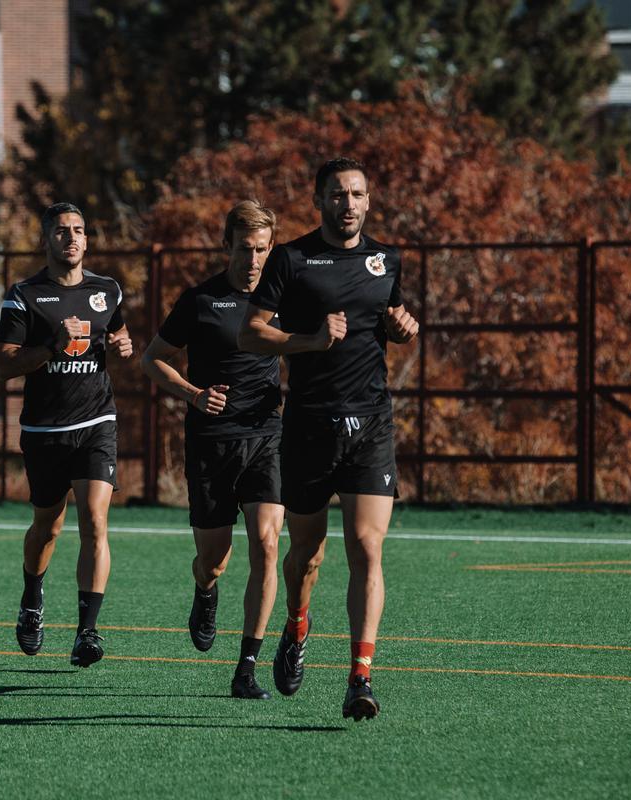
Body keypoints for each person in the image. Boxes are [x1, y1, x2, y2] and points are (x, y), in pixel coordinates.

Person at [237, 158, 418, 721]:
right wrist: (310, 341)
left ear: (369, 200)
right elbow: (251, 332)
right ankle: (296, 623)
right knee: (307, 555)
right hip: (310, 428)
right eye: (337, 194)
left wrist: (403, 327)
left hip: (371, 424)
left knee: (367, 547)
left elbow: (393, 318)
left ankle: (360, 678)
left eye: (358, 193)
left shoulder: (386, 260)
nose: (348, 203)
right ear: (319, 200)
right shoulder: (292, 259)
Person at [141, 200, 285, 700]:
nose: (254, 260)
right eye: (245, 249)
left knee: (267, 544)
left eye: (263, 250)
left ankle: (247, 666)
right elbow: (153, 360)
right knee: (215, 559)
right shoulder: (200, 300)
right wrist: (194, 394)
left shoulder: (284, 297)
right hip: (211, 443)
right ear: (228, 247)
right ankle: (204, 591)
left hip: (267, 436)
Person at [0, 202, 133, 668]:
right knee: (48, 526)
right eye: (61, 231)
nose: (71, 238)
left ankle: (87, 631)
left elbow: (118, 333)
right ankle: (32, 595)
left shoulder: (107, 290)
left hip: (97, 422)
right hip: (44, 430)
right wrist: (52, 344)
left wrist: (124, 343)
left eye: (78, 230)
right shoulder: (25, 294)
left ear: (87, 240)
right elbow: (5, 364)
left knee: (95, 520)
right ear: (46, 240)